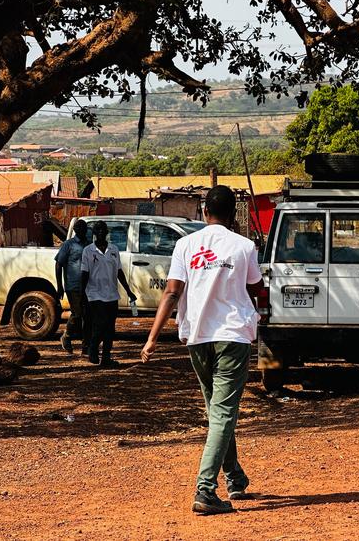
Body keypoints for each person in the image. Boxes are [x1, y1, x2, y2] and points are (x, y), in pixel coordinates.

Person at [141, 186, 263, 515]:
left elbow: (171, 292)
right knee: (222, 414)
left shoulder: (186, 244)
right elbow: (257, 287)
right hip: (232, 337)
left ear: (204, 211)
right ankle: (205, 490)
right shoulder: (244, 246)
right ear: (234, 214)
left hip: (197, 336)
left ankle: (235, 478)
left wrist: (152, 337)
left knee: (217, 412)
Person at [81, 221, 137, 368]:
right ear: (94, 233)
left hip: (112, 294)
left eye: (103, 230)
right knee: (101, 323)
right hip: (94, 294)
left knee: (110, 328)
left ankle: (106, 357)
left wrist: (128, 291)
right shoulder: (88, 251)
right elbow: (84, 274)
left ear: (107, 233)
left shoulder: (114, 250)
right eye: (97, 230)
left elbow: (119, 271)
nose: (100, 232)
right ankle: (93, 348)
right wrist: (82, 294)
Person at [55, 219, 89, 354]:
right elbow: (59, 264)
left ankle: (86, 346)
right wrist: (59, 286)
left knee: (88, 316)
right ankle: (67, 336)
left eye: (84, 228)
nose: (82, 230)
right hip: (73, 286)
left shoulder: (89, 245)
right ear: (75, 230)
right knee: (77, 314)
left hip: (88, 286)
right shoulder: (68, 245)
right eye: (79, 228)